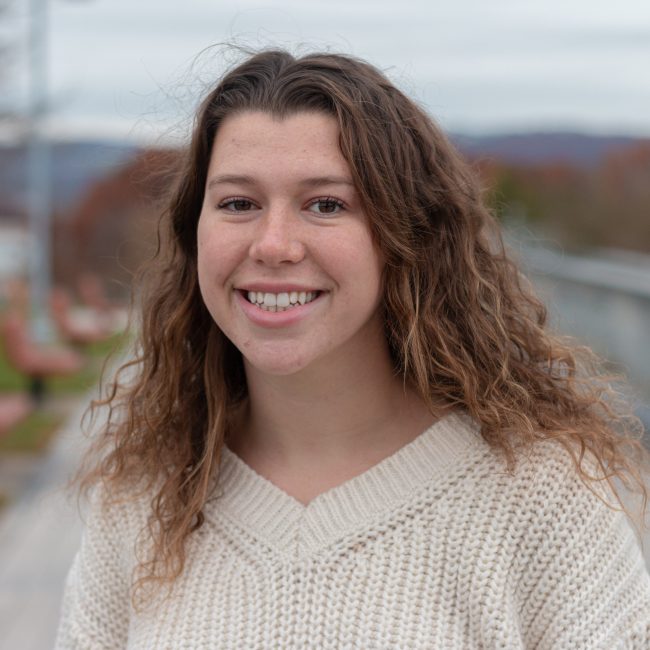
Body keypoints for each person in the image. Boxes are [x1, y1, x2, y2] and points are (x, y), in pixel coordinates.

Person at [55, 49, 650, 649]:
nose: (274, 245)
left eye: (326, 204)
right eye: (238, 203)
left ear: (403, 235)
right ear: (194, 232)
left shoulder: (543, 499)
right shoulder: (142, 497)